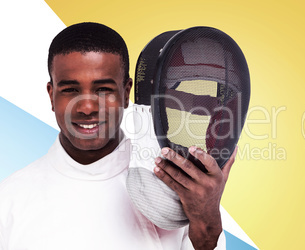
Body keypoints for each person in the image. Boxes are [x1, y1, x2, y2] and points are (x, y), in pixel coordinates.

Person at [0, 22, 236, 250]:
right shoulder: (9, 201)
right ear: (52, 96)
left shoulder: (177, 186)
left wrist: (208, 222)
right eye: (71, 90)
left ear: (125, 93)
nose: (87, 108)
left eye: (103, 90)